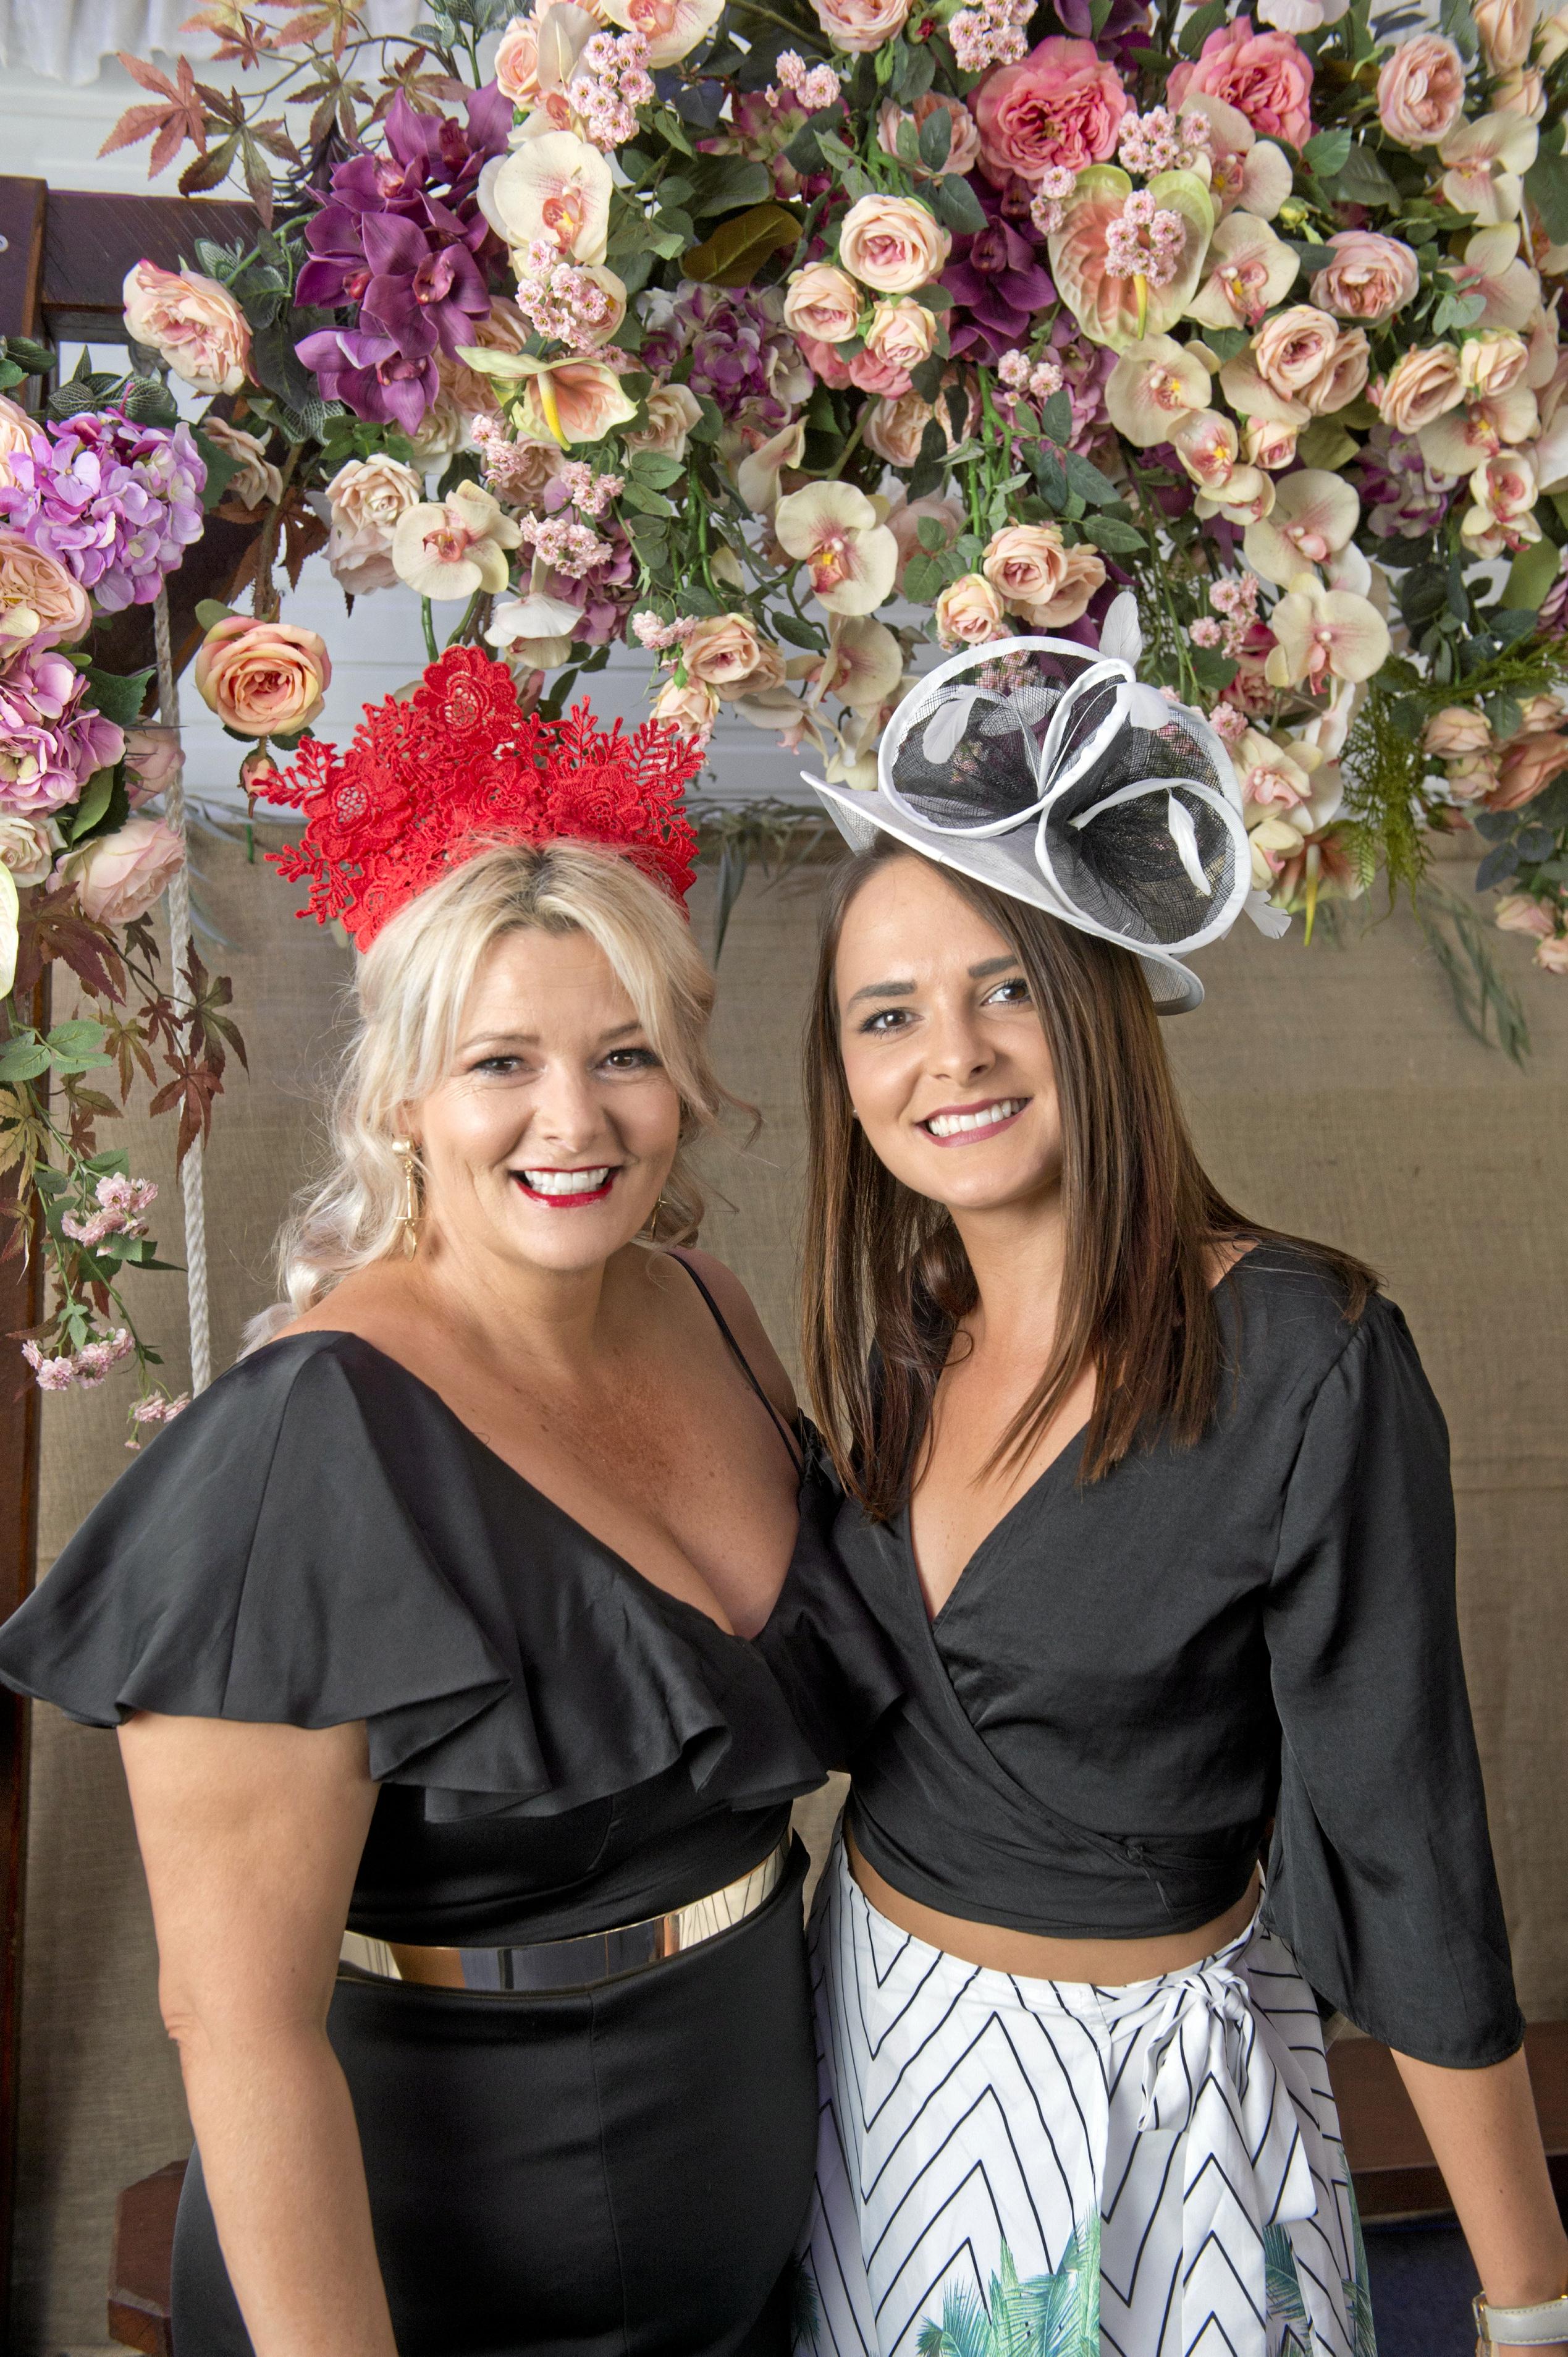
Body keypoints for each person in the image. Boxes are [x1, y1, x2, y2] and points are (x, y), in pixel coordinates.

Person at [0, 648, 832, 2357]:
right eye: (499, 1064)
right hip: (438, 2269)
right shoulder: (298, 1443)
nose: (572, 1120)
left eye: (623, 1056)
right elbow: (229, 2028)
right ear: (399, 1099)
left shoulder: (710, 1311)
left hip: (763, 2200)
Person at [760, 614, 1568, 2357]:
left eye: (1002, 988)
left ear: (1100, 1000)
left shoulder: (1306, 1350)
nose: (947, 1057)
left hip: (1151, 2105)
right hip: (869, 2052)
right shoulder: (909, 1329)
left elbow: (1404, 1844)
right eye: (885, 1015)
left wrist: (1524, 2299)